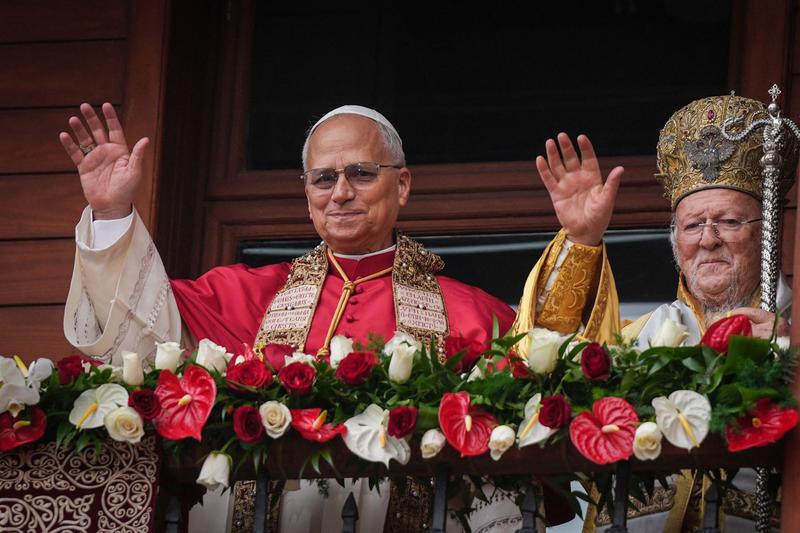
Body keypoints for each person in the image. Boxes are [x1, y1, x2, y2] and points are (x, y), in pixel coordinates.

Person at [59, 103, 586, 532]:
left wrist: (582, 242)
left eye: (361, 173)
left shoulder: (471, 312)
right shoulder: (246, 295)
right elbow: (141, 329)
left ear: (401, 185)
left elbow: (546, 379)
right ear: (306, 195)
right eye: (323, 178)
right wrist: (112, 215)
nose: (340, 192)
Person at [517, 94, 798, 531]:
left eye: (728, 221)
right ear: (675, 240)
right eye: (691, 225)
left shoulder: (794, 332)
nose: (708, 239)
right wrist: (581, 240)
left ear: (768, 235)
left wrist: (790, 358)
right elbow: (542, 366)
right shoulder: (637, 340)